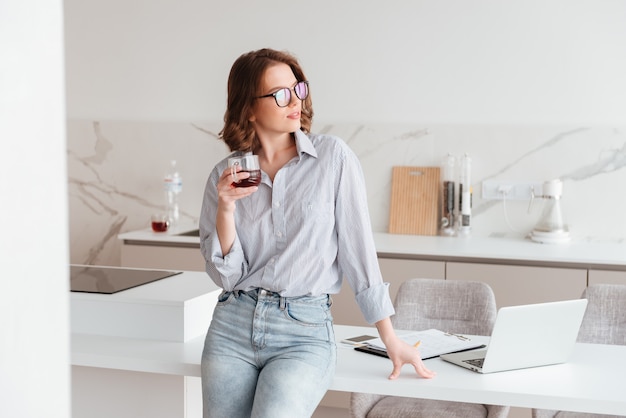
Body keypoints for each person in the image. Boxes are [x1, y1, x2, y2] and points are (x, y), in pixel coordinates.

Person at [199, 48, 435, 418]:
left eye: (299, 89)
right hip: (232, 326)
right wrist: (225, 207)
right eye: (280, 94)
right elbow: (228, 276)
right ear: (249, 107)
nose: (295, 101)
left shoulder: (333, 158)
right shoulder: (225, 176)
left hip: (302, 332)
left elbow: (359, 252)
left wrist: (389, 338)